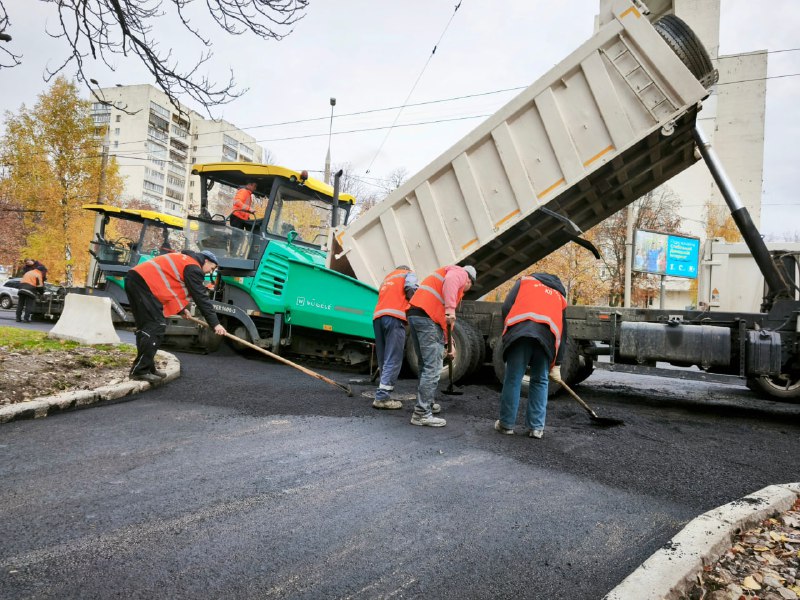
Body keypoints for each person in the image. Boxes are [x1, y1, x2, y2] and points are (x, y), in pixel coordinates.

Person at [124, 249, 226, 383]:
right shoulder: (193, 268)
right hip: (142, 284)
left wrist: (181, 310)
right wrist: (215, 324)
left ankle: (147, 367)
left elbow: (171, 286)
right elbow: (201, 298)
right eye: (212, 268)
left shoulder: (185, 261)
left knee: (147, 328)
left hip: (138, 281)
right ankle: (140, 371)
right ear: (206, 260)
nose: (210, 272)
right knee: (155, 326)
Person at [495, 272, 567, 439]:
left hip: (521, 334)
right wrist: (558, 363)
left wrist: (508, 331)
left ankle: (506, 425)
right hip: (546, 339)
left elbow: (506, 307)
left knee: (513, 378)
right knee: (540, 380)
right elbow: (563, 331)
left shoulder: (525, 282)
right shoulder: (559, 296)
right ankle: (536, 428)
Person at [406, 264, 476, 427]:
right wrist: (451, 309)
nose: (464, 291)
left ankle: (427, 403)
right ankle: (421, 413)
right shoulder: (460, 273)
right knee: (433, 368)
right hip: (427, 317)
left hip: (417, 315)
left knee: (425, 365)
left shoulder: (443, 277)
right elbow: (452, 282)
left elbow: (445, 324)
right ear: (469, 281)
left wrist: (449, 344)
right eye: (468, 287)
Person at [371, 265, 419, 410]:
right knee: (393, 357)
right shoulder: (408, 273)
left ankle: (382, 390)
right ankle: (382, 397)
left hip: (378, 317)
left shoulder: (388, 278)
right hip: (394, 317)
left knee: (384, 359)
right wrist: (415, 305)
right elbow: (411, 287)